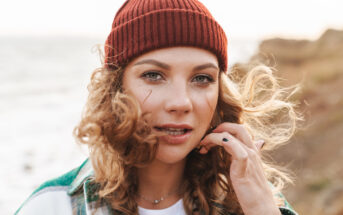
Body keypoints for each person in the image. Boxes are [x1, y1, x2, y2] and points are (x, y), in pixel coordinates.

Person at [16, 0, 301, 214]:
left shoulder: (256, 203)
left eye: (201, 78)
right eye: (153, 75)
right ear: (115, 89)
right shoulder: (53, 206)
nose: (180, 102)